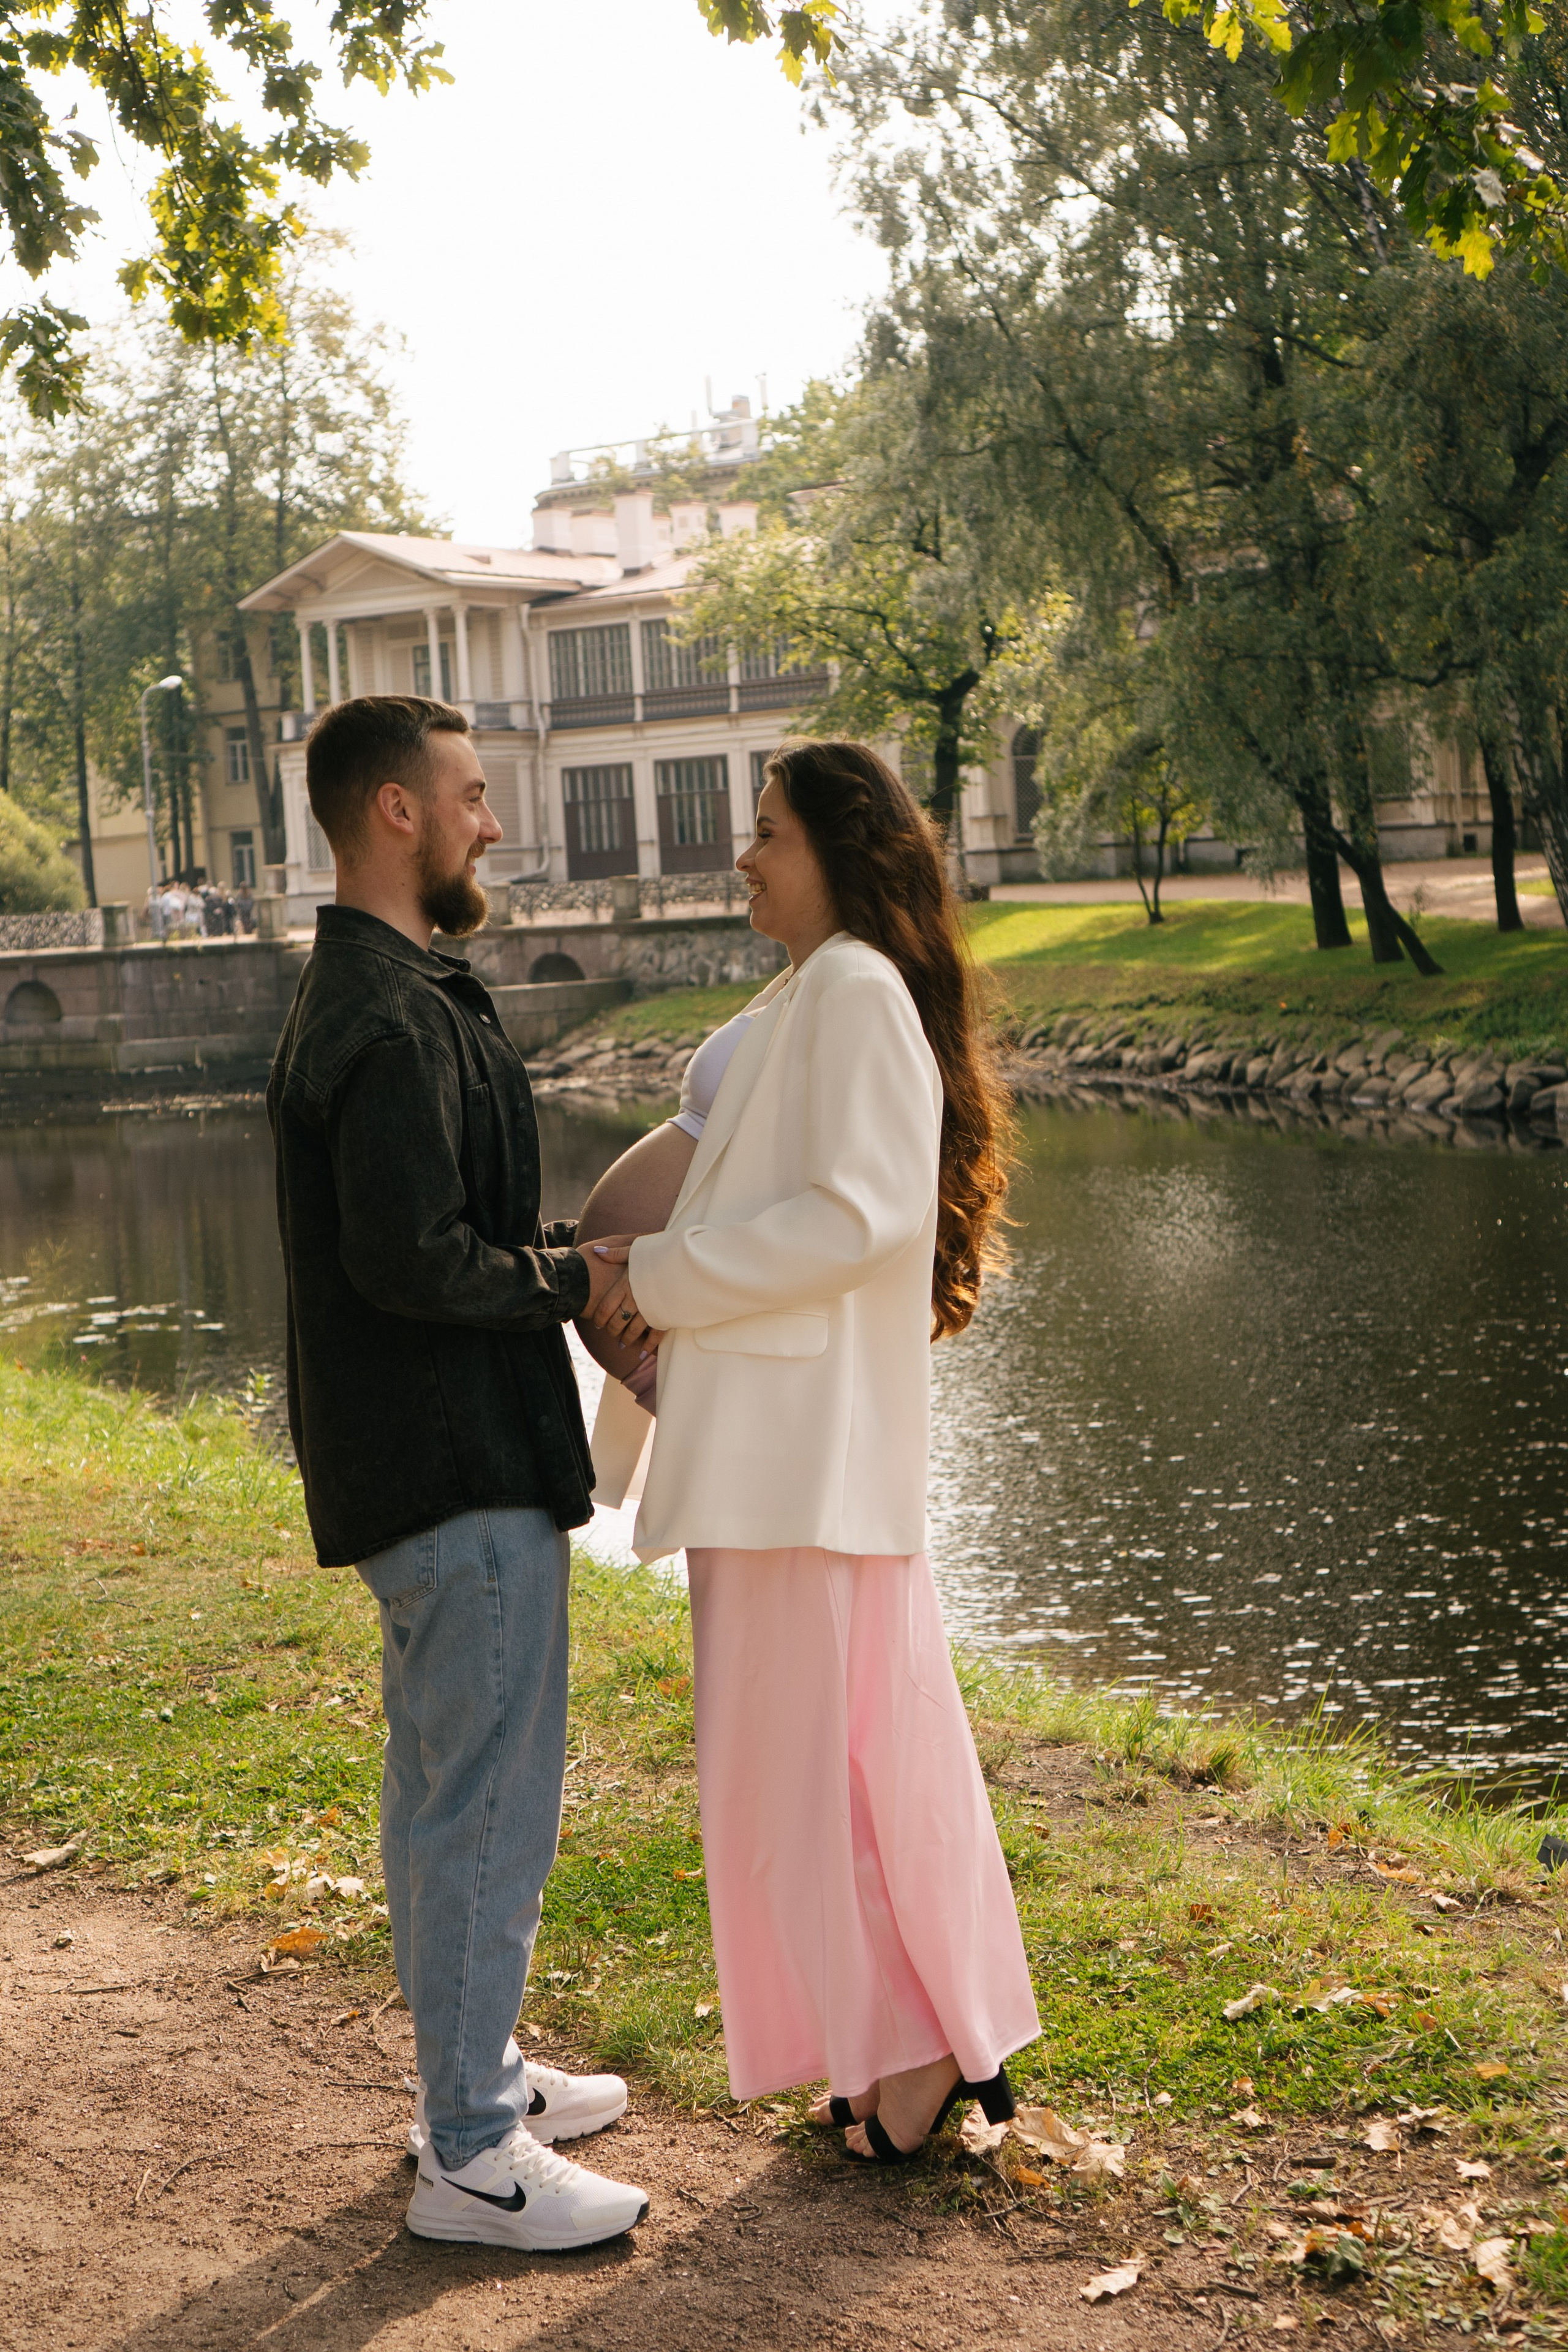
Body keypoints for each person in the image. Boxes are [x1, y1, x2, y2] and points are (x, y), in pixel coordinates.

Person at [580, 738, 1041, 2163]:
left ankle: (917, 2056)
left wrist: (656, 1277)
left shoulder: (851, 990)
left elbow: (857, 1215)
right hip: (769, 1444)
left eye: (765, 831)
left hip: (805, 1456)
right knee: (804, 1766)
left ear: (839, 847)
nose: (743, 856)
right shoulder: (814, 982)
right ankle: (888, 2041)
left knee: (838, 1764)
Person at [266, 693, 649, 2253]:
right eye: (473, 796)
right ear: (396, 812)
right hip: (451, 1467)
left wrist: (562, 1266)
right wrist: (576, 1280)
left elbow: (425, 1245)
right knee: (484, 1805)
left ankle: (466, 2083)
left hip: (433, 1463)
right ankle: (474, 2155)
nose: (494, 822)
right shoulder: (379, 1012)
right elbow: (411, 1259)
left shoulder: (390, 989)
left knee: (442, 1799)